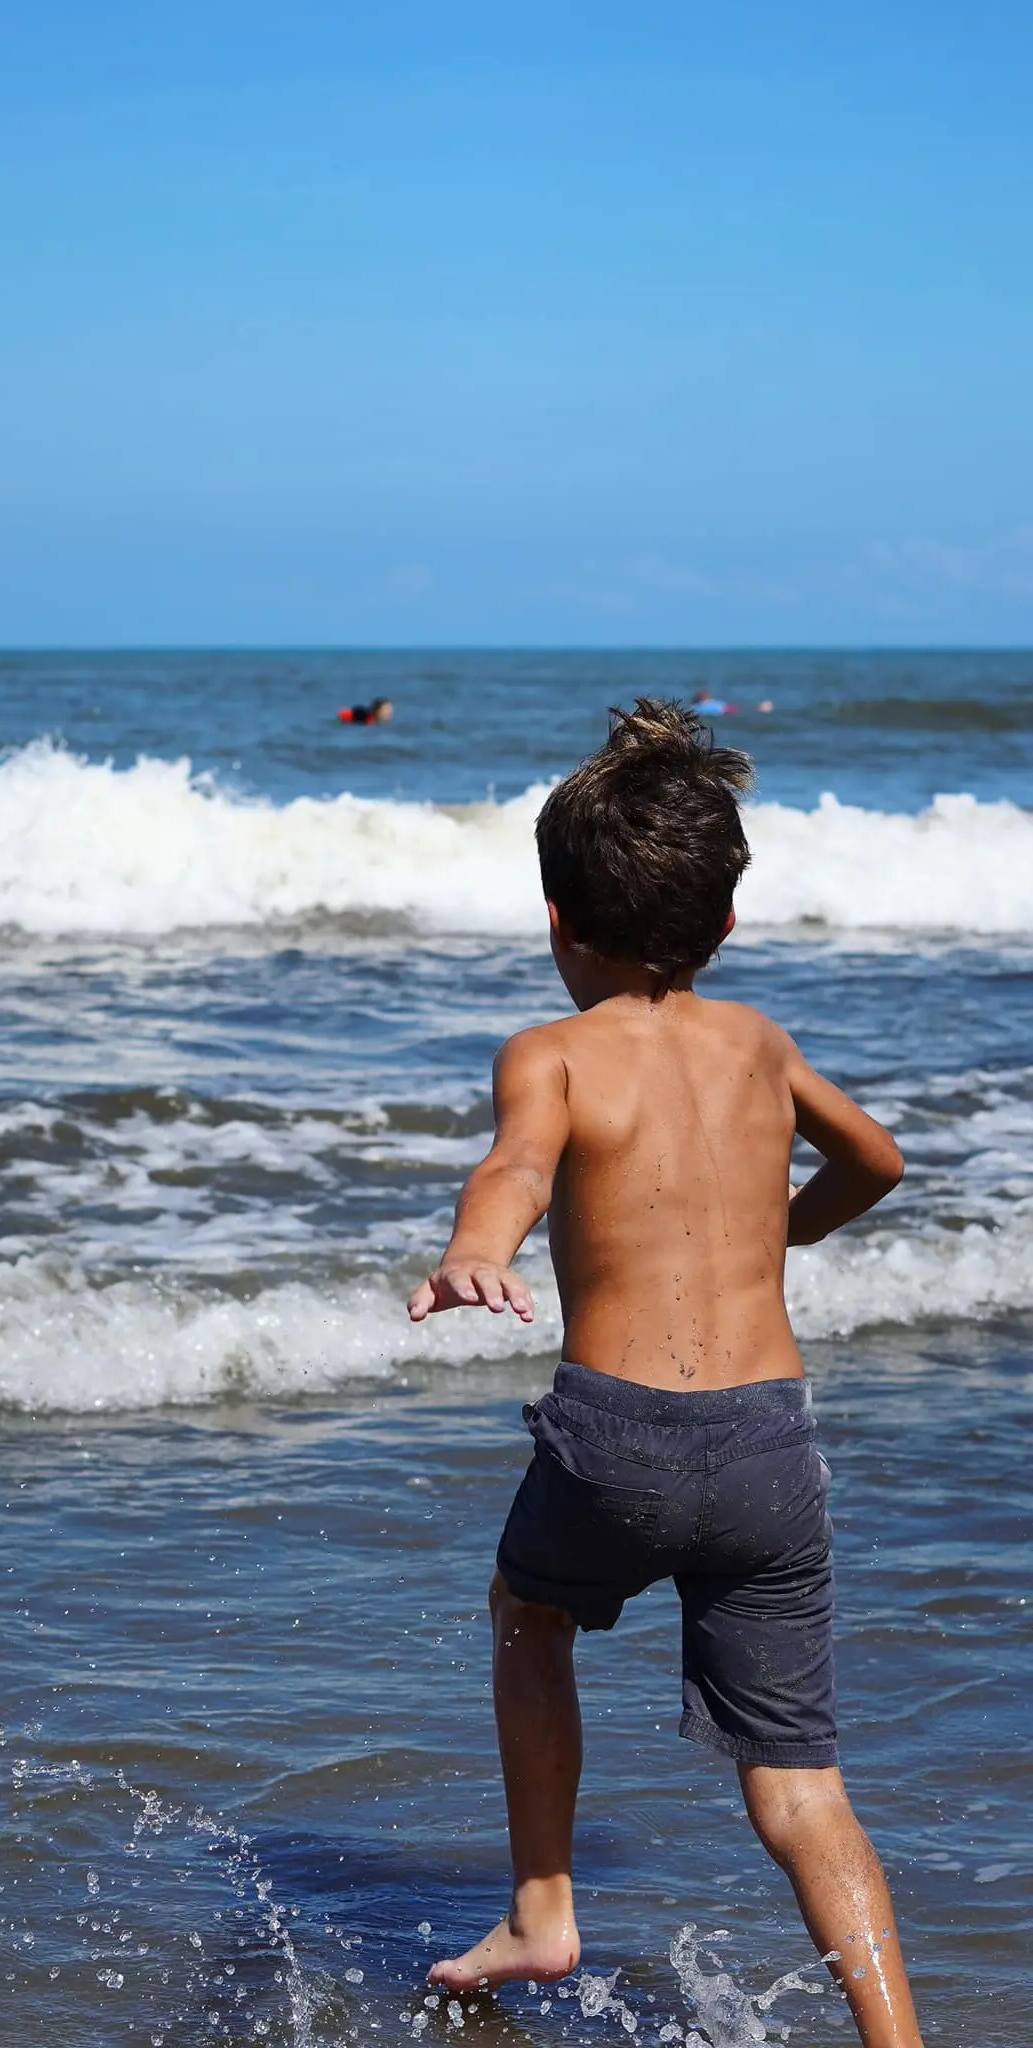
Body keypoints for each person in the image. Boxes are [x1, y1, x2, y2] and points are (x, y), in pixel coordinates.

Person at [407, 700, 921, 2047]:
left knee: (527, 1613)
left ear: (554, 921)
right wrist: (776, 1235)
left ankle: (540, 1906)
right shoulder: (757, 1043)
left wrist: (475, 1250)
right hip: (765, 1447)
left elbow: (512, 1166)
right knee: (799, 1790)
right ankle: (895, 2037)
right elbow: (875, 1161)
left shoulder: (552, 1053)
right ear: (725, 924)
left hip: (616, 1438)